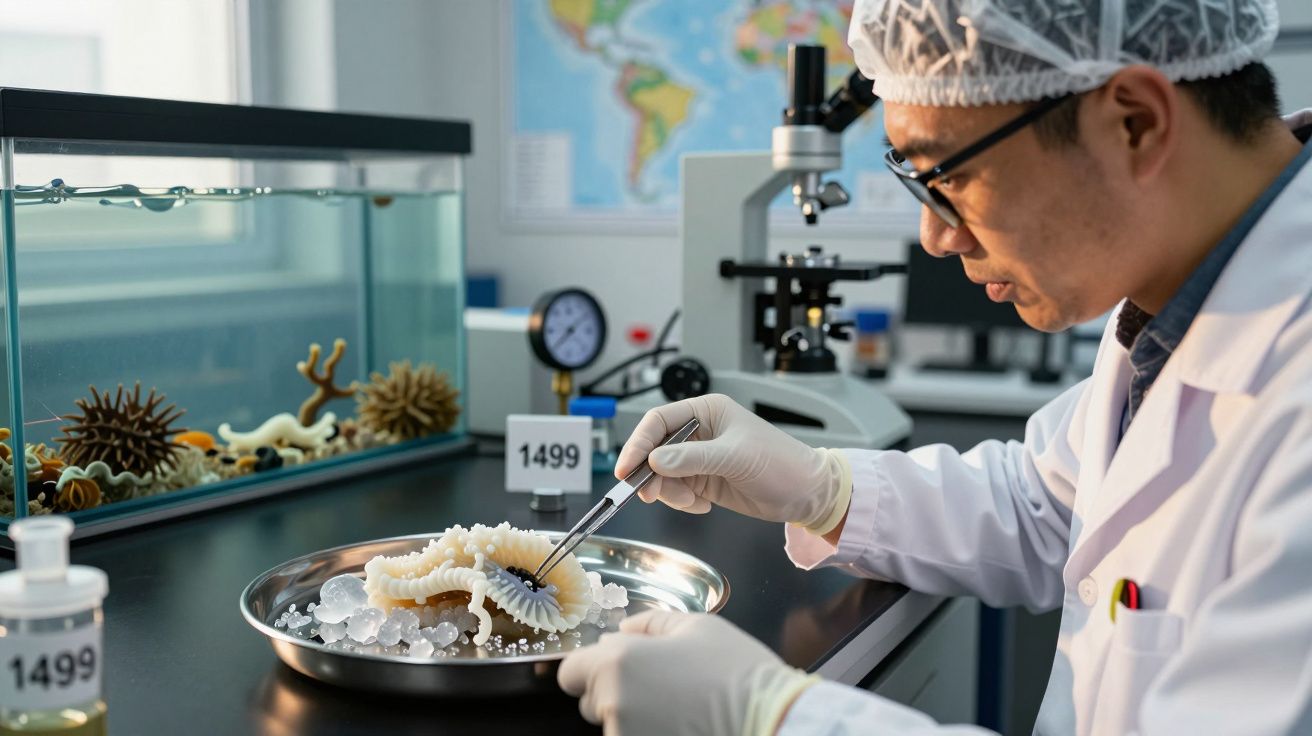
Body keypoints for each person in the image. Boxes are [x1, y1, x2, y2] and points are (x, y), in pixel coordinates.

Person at [556, 0, 1312, 733]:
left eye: (943, 174)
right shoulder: (1174, 303)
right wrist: (820, 487)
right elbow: (1048, 503)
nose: (933, 237)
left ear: (1134, 124)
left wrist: (770, 717)